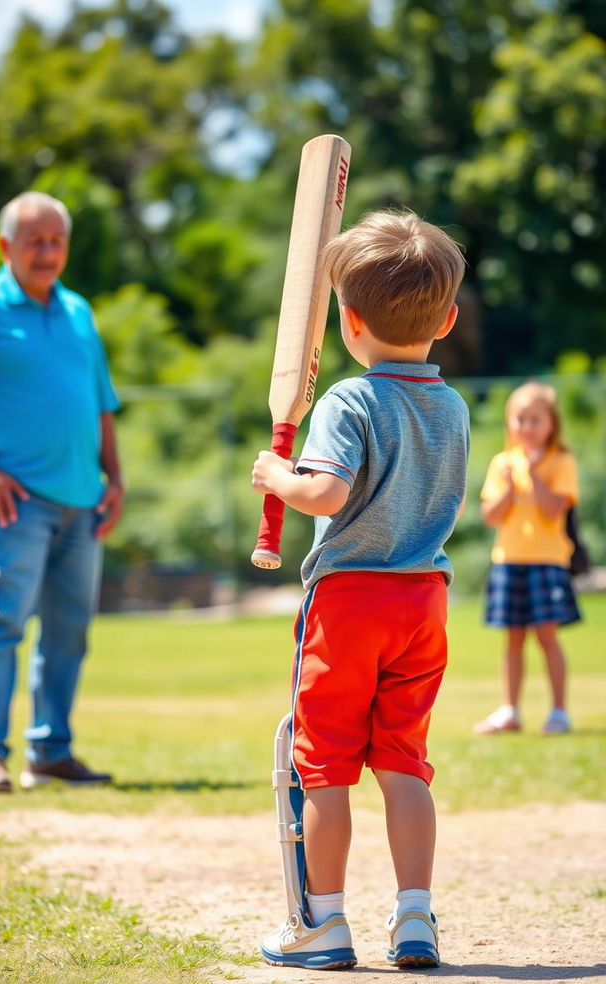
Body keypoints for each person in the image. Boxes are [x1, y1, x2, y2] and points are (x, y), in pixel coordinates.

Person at [251, 209, 469, 969]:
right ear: (445, 319)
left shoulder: (349, 400)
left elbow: (330, 494)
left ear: (347, 322)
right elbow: (452, 502)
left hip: (349, 604)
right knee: (405, 760)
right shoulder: (453, 406)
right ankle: (416, 918)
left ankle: (325, 923)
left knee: (325, 764)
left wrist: (280, 476)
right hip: (425, 601)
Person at [0, 191, 124, 795]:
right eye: (34, 240)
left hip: (83, 502)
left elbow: (102, 404)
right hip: (17, 503)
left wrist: (116, 479)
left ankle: (51, 751)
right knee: (4, 623)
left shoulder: (79, 311)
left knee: (70, 632)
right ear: (5, 246)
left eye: (56, 239)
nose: (47, 250)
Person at [473, 381, 580, 737]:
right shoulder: (502, 463)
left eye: (535, 419)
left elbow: (553, 511)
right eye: (520, 419)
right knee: (513, 639)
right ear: (510, 423)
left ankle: (559, 712)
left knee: (547, 638)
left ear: (551, 423)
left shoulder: (561, 462)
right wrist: (508, 488)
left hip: (547, 561)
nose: (527, 426)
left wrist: (534, 476)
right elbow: (491, 515)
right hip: (508, 560)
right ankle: (510, 711)